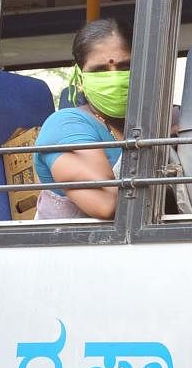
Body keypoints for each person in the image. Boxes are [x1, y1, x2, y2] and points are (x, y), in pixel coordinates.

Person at [33, 18, 131, 220]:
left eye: (124, 67)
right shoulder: (65, 125)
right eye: (100, 70)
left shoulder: (153, 119)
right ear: (80, 78)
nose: (114, 78)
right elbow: (105, 205)